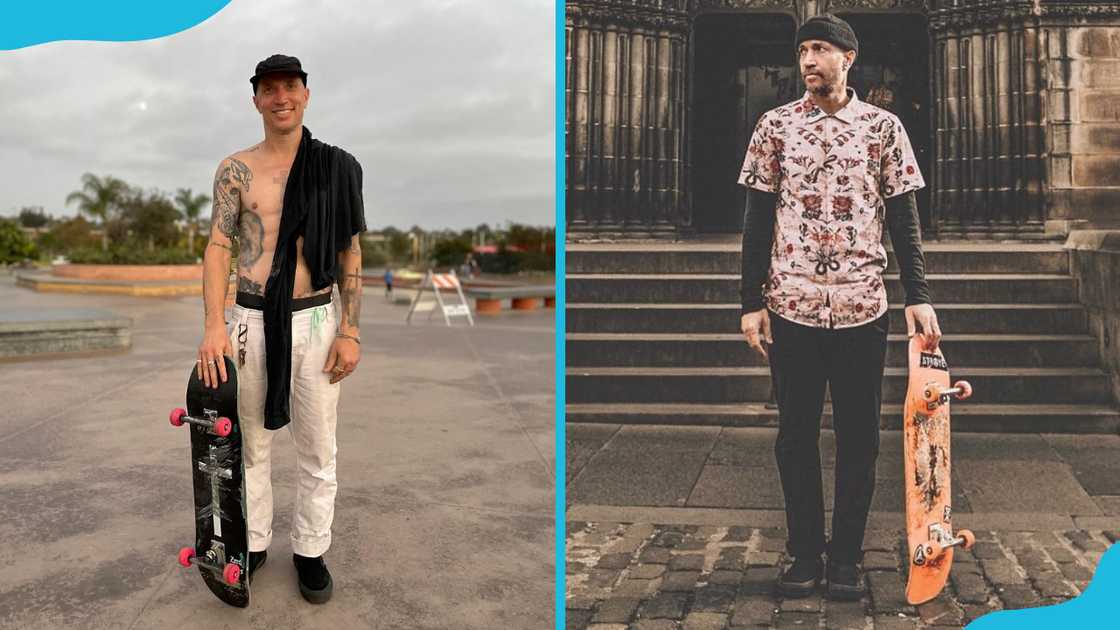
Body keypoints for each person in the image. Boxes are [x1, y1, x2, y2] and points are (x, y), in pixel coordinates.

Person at [737, 14, 939, 600]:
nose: (808, 60)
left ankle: (846, 557)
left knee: (860, 438)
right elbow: (757, 221)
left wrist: (917, 297)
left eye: (820, 49)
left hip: (862, 306)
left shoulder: (883, 128)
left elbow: (904, 218)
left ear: (847, 57)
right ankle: (804, 555)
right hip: (792, 304)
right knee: (794, 436)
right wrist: (751, 302)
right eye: (802, 51)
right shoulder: (773, 126)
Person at [196, 54, 366, 605]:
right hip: (248, 321)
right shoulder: (235, 170)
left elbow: (348, 250)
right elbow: (220, 245)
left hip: (316, 317)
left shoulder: (337, 167)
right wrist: (213, 325)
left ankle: (311, 551)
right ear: (256, 100)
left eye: (289, 86)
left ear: (305, 94)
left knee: (318, 447)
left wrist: (351, 329)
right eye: (269, 89)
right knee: (250, 443)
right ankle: (257, 540)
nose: (280, 97)